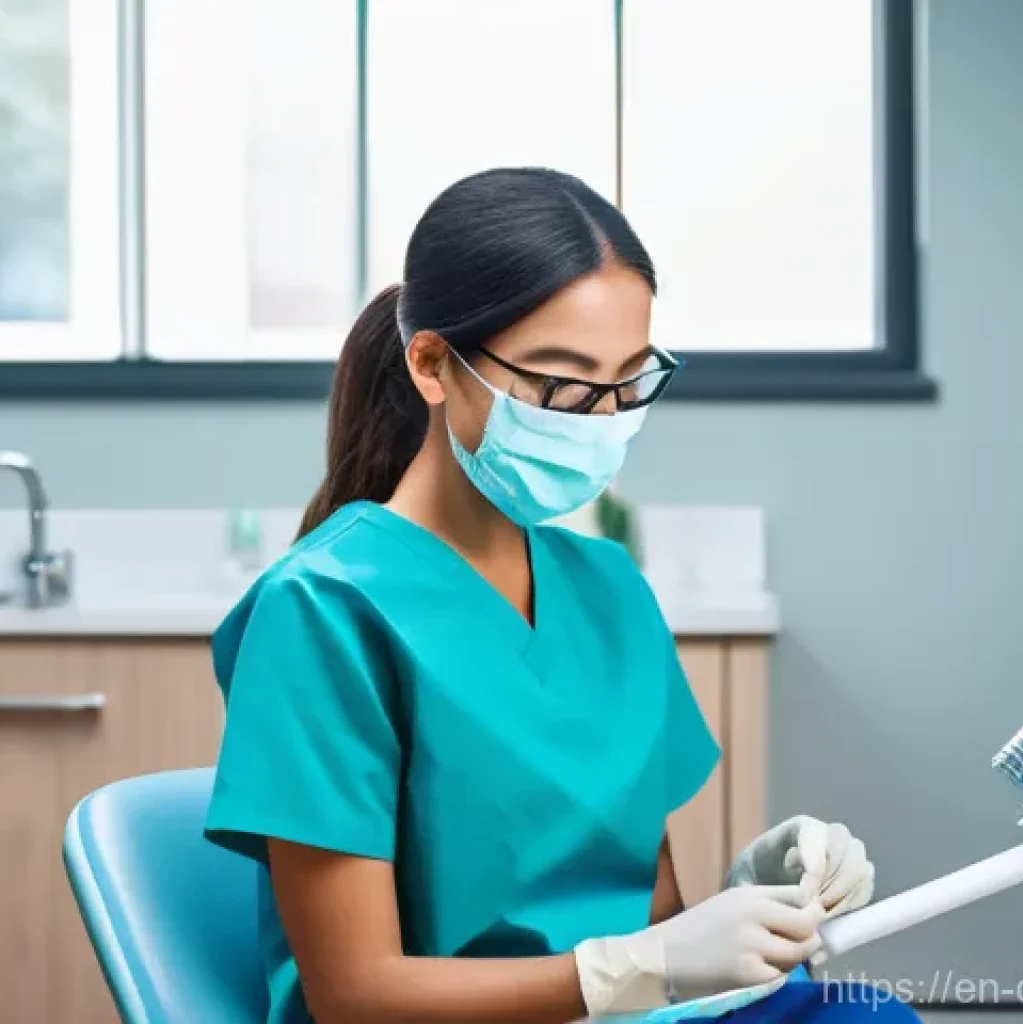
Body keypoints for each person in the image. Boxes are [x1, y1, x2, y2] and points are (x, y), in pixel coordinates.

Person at [204, 168, 892, 1023]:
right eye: (559, 382)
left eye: (629, 382)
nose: (596, 418)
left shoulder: (610, 592)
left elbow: (649, 932)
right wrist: (628, 970)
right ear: (432, 364)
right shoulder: (322, 611)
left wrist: (751, 904)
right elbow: (356, 994)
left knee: (865, 1015)